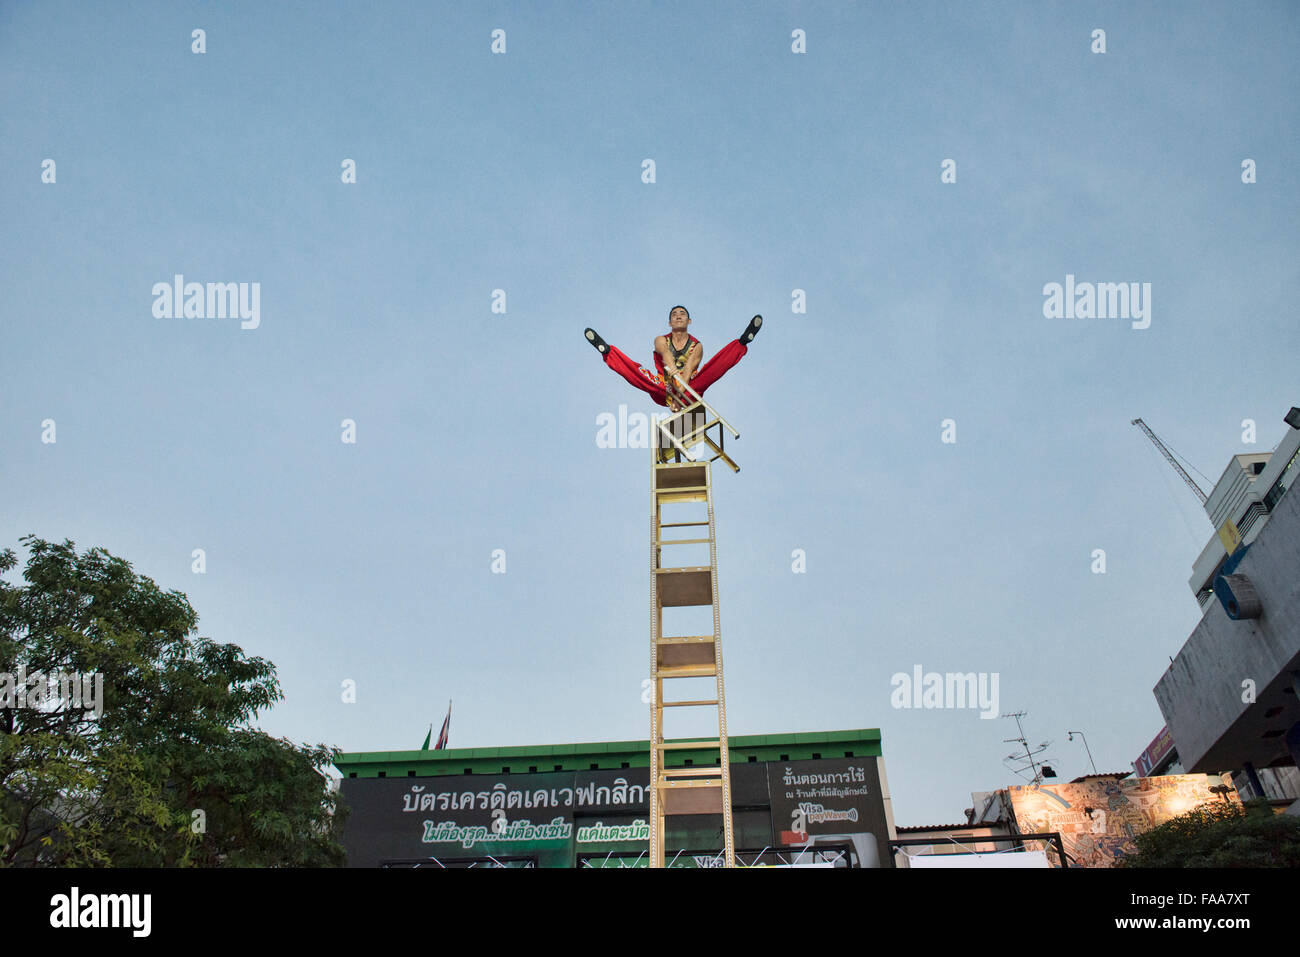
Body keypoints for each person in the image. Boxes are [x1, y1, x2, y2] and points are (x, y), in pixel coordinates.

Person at [585, 306, 761, 411]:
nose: (678, 316)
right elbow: (664, 352)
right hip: (665, 385)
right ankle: (608, 352)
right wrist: (672, 374)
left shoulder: (696, 345)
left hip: (689, 387)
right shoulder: (661, 339)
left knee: (711, 371)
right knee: (640, 373)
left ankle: (742, 343)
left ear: (689, 321)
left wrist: (680, 394)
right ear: (670, 322)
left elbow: (692, 363)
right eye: (674, 314)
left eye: (682, 314)